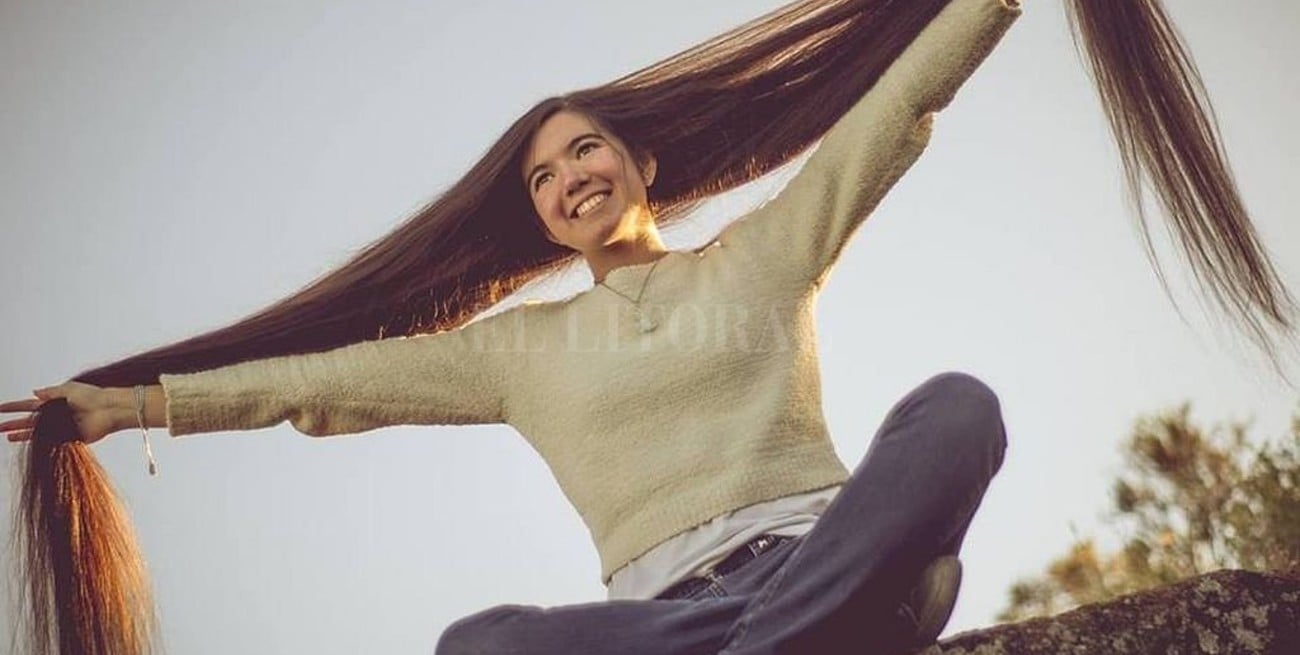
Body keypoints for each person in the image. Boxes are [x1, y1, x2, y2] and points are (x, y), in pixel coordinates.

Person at [4, 0, 1295, 654]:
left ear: (637, 164)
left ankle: (798, 631)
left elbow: (893, 105)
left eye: (586, 150)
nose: (570, 176)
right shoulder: (509, 355)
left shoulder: (764, 256)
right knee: (483, 647)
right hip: (666, 624)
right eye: (543, 175)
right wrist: (134, 404)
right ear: (537, 216)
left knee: (955, 404)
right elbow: (313, 378)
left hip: (836, 561)